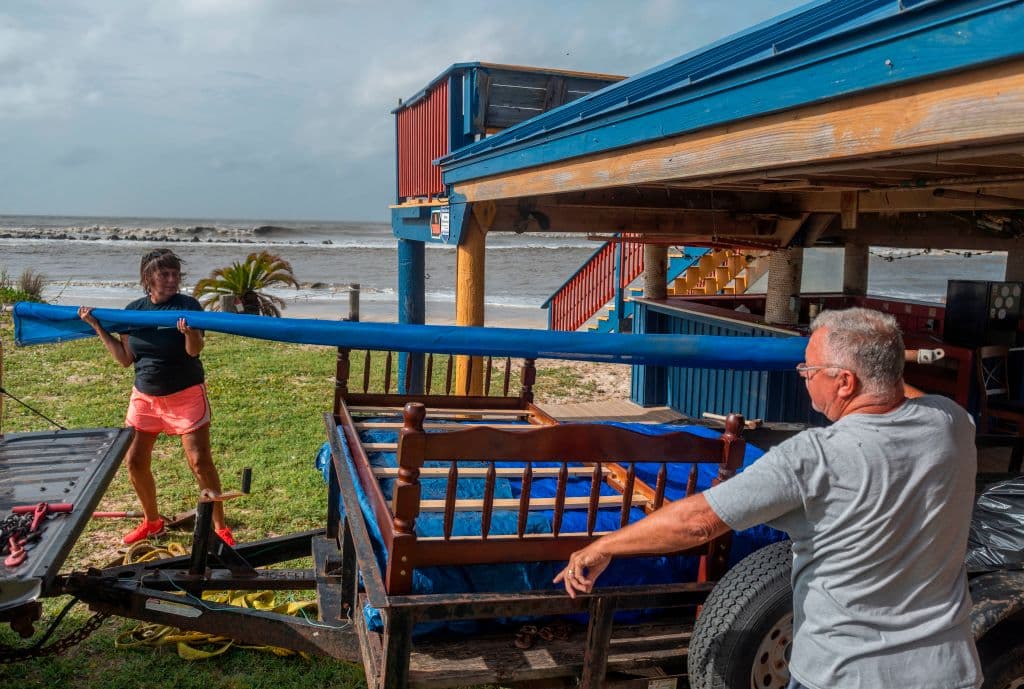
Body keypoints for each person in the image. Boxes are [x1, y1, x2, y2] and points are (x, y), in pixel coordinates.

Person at [555, 307, 980, 689]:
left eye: (808, 370)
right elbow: (903, 395)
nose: (804, 377)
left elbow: (698, 521)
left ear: (845, 382)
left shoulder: (814, 456)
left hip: (847, 674)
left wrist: (604, 545)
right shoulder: (950, 424)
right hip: (947, 672)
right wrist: (882, 365)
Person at [78, 248, 235, 547]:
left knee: (200, 462)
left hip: (185, 394)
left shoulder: (188, 306)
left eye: (176, 273)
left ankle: (219, 528)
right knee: (135, 461)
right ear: (148, 277)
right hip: (145, 398)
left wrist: (188, 332)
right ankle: (152, 522)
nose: (172, 279)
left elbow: (194, 350)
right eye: (165, 274)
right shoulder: (133, 311)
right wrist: (98, 326)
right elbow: (125, 359)